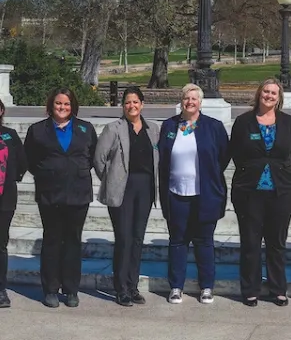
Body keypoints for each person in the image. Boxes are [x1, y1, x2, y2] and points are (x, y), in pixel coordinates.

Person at [24, 88, 97, 308]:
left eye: (66, 104)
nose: (62, 108)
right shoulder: (37, 130)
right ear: (51, 105)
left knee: (73, 242)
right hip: (50, 194)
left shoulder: (86, 128)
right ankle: (50, 289)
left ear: (72, 106)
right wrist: (50, 172)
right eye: (58, 104)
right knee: (52, 240)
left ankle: (71, 289)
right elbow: (30, 160)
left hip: (78, 193)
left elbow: (92, 157)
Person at [158, 83, 230, 306]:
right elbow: (162, 155)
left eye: (194, 99)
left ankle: (206, 286)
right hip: (176, 193)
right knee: (177, 242)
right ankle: (176, 287)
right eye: (186, 98)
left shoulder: (213, 126)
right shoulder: (170, 125)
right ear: (181, 101)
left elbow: (224, 156)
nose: (190, 102)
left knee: (204, 242)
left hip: (204, 194)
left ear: (200, 102)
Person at [230, 78, 291, 307]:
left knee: (276, 242)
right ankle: (250, 288)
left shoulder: (288, 122)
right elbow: (236, 152)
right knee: (250, 242)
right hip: (250, 189)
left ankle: (277, 288)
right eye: (266, 92)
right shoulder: (243, 122)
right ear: (259, 93)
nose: (269, 96)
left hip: (281, 189)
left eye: (274, 93)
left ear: (279, 98)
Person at [93, 87, 160, 307]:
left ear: (142, 104)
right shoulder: (113, 128)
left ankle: (133, 286)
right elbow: (99, 159)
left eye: (135, 102)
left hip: (145, 188)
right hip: (122, 188)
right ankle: (120, 288)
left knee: (138, 238)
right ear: (123, 106)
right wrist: (113, 179)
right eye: (127, 102)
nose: (131, 106)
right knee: (124, 238)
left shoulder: (153, 129)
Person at [0, 99, 26, 308]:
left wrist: (11, 178)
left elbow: (22, 162)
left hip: (4, 199)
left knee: (0, 245)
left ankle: (1, 290)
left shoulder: (10, 134)